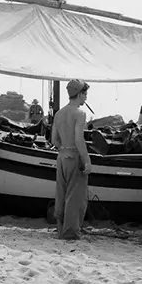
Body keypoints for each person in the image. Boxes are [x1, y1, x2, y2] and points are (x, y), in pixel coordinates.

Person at [50, 79, 92, 240]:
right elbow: (79, 140)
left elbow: (54, 139)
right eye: (85, 94)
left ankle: (60, 229)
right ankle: (70, 233)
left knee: (61, 193)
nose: (86, 98)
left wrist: (62, 149)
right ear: (79, 94)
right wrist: (87, 160)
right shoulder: (79, 114)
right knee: (75, 196)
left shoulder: (59, 114)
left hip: (61, 157)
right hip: (74, 156)